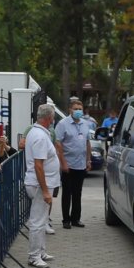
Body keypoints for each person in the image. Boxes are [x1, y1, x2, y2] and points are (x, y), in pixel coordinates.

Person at [23, 104, 59, 267]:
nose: (54, 120)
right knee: (37, 221)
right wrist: (45, 190)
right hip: (39, 185)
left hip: (42, 183)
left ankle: (41, 251)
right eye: (53, 117)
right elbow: (38, 165)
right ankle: (34, 256)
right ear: (49, 118)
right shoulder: (40, 136)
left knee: (42, 219)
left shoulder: (38, 133)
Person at [55, 97, 91, 229]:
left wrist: (88, 159)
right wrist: (63, 162)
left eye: (80, 109)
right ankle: (66, 220)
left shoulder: (85, 124)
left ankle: (76, 218)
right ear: (70, 110)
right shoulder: (63, 124)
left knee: (78, 193)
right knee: (67, 193)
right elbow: (58, 143)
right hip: (68, 164)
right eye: (75, 109)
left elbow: (87, 142)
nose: (78, 111)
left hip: (81, 164)